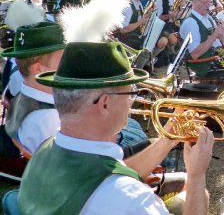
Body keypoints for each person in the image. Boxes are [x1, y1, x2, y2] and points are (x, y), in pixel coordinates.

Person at [17, 41, 213, 215]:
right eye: (130, 93)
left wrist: (167, 140)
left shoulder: (44, 151)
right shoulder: (131, 199)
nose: (132, 101)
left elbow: (105, 173)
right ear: (105, 103)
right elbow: (114, 188)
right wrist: (196, 174)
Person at [2, 22, 65, 155]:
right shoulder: (48, 117)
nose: (67, 63)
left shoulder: (25, 93)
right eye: (62, 58)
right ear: (38, 68)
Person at [118, 0, 168, 68]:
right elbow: (123, 30)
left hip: (136, 34)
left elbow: (141, 21)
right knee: (147, 46)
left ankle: (146, 63)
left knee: (162, 40)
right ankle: (138, 69)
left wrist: (150, 13)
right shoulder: (127, 6)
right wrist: (140, 22)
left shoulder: (138, 3)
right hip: (126, 38)